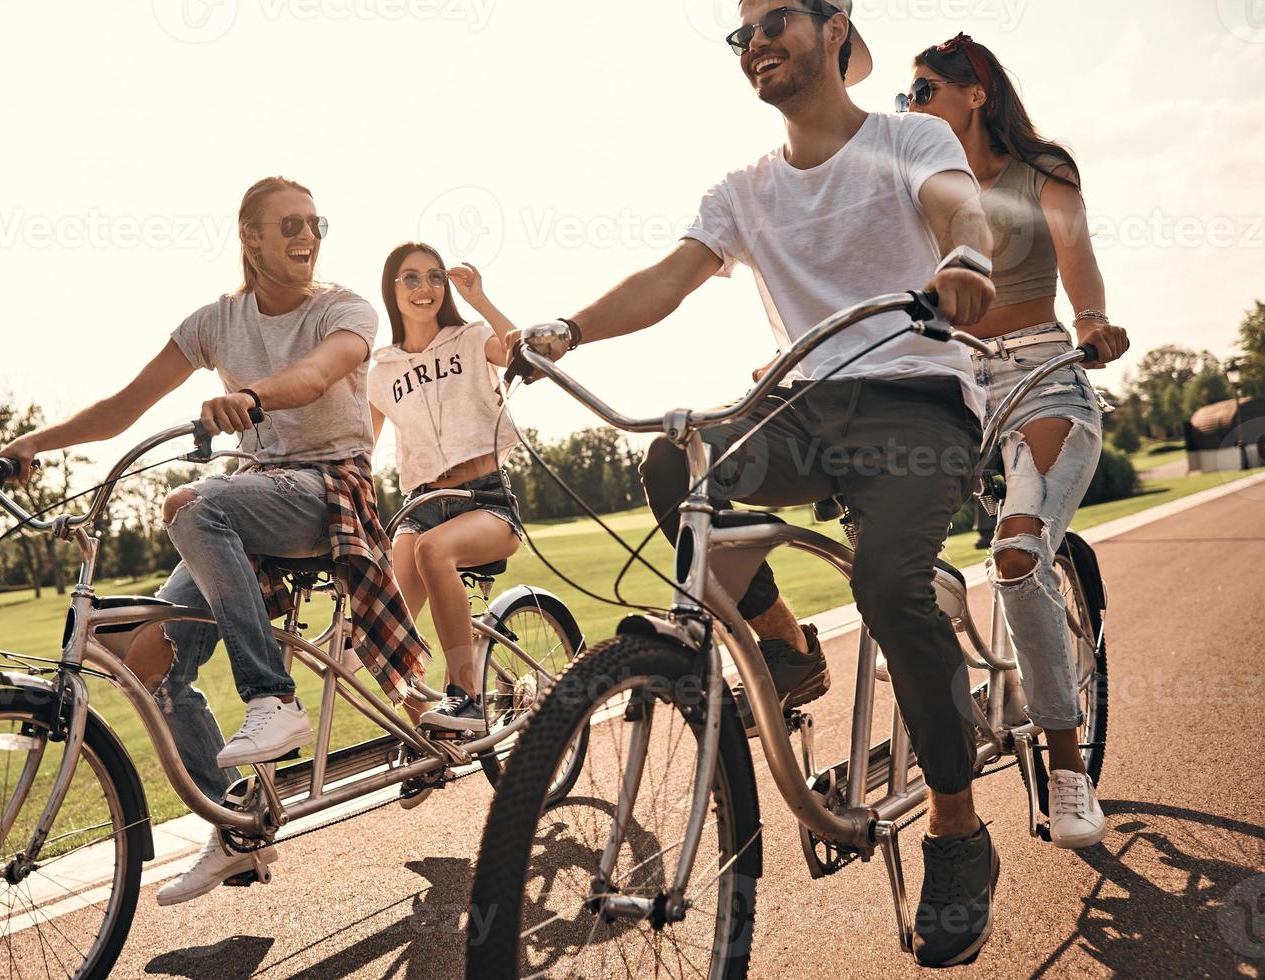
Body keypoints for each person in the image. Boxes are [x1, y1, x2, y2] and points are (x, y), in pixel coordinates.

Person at [510, 0, 1005, 966]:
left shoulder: (908, 136)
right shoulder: (743, 189)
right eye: (743, 33)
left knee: (891, 585)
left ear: (834, 26)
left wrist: (965, 258)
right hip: (803, 410)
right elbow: (671, 277)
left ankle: (956, 828)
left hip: (914, 401)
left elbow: (960, 204)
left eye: (776, 19)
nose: (757, 42)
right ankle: (782, 646)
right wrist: (568, 329)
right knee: (672, 458)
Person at [0, 177, 428, 906]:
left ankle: (272, 697)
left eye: (315, 223)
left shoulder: (344, 307)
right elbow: (125, 405)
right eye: (288, 224)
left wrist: (254, 397)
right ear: (250, 236)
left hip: (329, 491)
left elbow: (321, 371)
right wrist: (36, 442)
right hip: (249, 494)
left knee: (191, 505)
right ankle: (239, 827)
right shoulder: (215, 322)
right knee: (147, 661)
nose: (307, 235)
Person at [902, 32, 1129, 849]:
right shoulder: (924, 185)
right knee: (898, 555)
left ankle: (1067, 769)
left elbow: (1076, 252)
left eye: (924, 90)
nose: (911, 106)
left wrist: (1094, 319)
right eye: (907, 95)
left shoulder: (1044, 172)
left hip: (1043, 372)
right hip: (953, 384)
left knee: (1019, 553)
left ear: (974, 94)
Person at [366, 243, 523, 733]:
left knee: (434, 552)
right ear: (392, 290)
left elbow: (521, 349)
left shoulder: (472, 338)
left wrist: (479, 298)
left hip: (486, 499)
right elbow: (358, 448)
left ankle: (467, 697)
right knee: (386, 628)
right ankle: (429, 741)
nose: (425, 288)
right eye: (410, 278)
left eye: (434, 277)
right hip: (420, 505)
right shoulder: (380, 371)